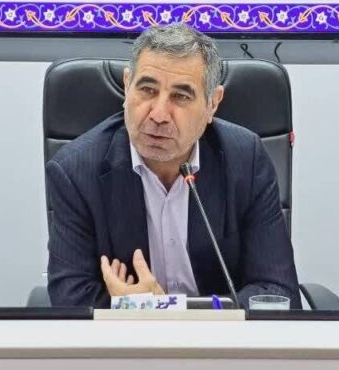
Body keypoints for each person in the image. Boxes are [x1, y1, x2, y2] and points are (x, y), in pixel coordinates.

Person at [47, 23, 300, 308]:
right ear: (127, 86)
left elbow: (278, 294)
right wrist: (142, 312)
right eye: (147, 90)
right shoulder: (75, 172)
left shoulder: (246, 160)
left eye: (181, 96)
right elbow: (70, 302)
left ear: (212, 104)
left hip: (220, 336)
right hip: (126, 337)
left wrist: (158, 307)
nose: (158, 114)